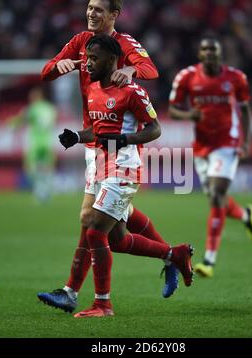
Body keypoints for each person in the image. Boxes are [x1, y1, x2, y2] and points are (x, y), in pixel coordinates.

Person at [37, 0, 179, 314]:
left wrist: (130, 68)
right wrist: (61, 66)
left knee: (92, 222)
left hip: (117, 144)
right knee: (116, 218)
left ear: (114, 15)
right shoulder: (79, 42)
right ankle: (171, 256)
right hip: (93, 139)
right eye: (89, 7)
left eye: (99, 9)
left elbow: (150, 69)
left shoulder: (124, 44)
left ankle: (74, 293)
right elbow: (46, 72)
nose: (91, 13)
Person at [169, 38, 252, 278]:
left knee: (217, 194)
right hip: (202, 145)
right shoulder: (187, 77)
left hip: (227, 142)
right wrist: (191, 114)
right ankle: (245, 215)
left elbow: (244, 109)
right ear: (199, 54)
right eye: (205, 50)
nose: (210, 53)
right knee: (215, 196)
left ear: (221, 55)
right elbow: (172, 109)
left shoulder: (236, 78)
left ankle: (209, 260)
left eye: (214, 50)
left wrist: (246, 141)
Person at [8, 86, 57, 203]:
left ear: (37, 96)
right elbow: (53, 122)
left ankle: (40, 191)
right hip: (48, 142)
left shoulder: (32, 108)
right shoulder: (50, 108)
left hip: (35, 143)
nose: (31, 98)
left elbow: (22, 119)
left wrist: (11, 124)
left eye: (32, 96)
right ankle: (46, 191)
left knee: (30, 167)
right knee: (47, 168)